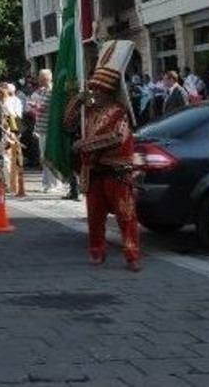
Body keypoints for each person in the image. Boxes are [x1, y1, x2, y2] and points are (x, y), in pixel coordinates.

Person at [64, 40, 141, 272]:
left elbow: (116, 138)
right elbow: (66, 124)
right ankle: (96, 251)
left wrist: (84, 145)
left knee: (126, 217)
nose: (94, 94)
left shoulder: (119, 111)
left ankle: (132, 255)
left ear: (107, 92)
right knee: (94, 218)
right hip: (94, 172)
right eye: (92, 89)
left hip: (117, 172)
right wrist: (77, 101)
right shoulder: (88, 112)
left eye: (97, 90)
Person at [0, 84, 26, 197]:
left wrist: (14, 134)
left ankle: (10, 184)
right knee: (4, 159)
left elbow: (13, 119)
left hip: (8, 135)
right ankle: (6, 183)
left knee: (8, 160)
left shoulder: (8, 104)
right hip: (0, 134)